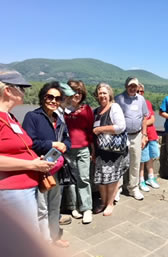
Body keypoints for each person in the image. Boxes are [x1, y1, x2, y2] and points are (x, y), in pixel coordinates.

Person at [0, 70, 55, 233]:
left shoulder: (10, 117)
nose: (25, 92)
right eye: (21, 88)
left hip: (26, 187)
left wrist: (37, 161)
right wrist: (31, 165)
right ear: (8, 90)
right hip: (13, 191)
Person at [22, 81, 71, 248]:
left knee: (55, 205)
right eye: (50, 97)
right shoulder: (32, 117)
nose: (53, 101)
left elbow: (67, 139)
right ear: (43, 98)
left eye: (57, 98)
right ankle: (45, 243)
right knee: (41, 208)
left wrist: (65, 145)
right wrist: (52, 144)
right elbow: (29, 143)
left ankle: (55, 236)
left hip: (57, 169)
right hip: (40, 169)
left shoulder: (59, 119)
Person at [93, 83, 129, 216]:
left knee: (112, 179)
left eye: (104, 93)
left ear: (109, 95)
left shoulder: (114, 107)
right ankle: (103, 202)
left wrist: (99, 129)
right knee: (101, 179)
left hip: (114, 150)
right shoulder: (96, 111)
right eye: (100, 93)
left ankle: (110, 203)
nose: (102, 95)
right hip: (100, 151)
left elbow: (120, 126)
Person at [62, 80, 94, 224]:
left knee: (84, 178)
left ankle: (87, 208)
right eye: (74, 91)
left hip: (83, 149)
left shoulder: (86, 109)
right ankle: (73, 207)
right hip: (67, 150)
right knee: (70, 181)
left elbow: (90, 131)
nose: (77, 95)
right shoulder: (62, 109)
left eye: (80, 92)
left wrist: (93, 149)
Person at [115, 77, 148, 200]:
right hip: (122, 136)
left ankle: (133, 188)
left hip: (137, 135)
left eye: (135, 86)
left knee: (135, 162)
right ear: (126, 86)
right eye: (130, 86)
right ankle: (117, 189)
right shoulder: (119, 99)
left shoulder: (141, 99)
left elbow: (145, 117)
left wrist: (144, 135)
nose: (133, 88)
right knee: (119, 163)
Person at [136, 83, 160, 192]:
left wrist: (144, 122)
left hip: (151, 135)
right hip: (141, 136)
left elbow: (152, 119)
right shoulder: (133, 104)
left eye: (141, 91)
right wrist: (144, 123)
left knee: (151, 157)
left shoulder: (148, 103)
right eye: (137, 91)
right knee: (142, 159)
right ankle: (141, 180)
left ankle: (150, 177)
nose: (139, 93)